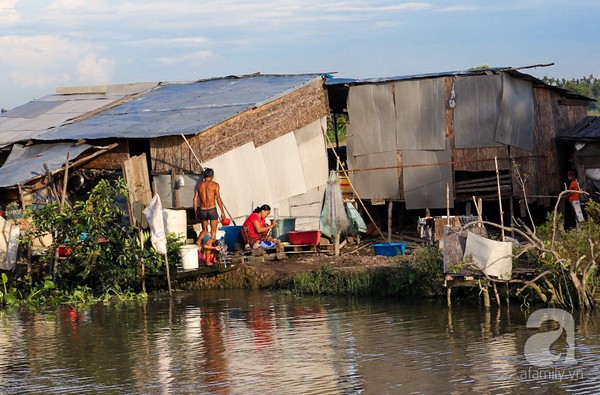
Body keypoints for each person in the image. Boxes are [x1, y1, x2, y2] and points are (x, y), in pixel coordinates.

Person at [194, 168, 227, 248]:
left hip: (202, 210)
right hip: (212, 210)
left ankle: (198, 241)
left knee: (204, 230)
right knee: (213, 234)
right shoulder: (215, 185)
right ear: (212, 176)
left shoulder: (199, 186)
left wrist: (196, 212)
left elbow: (195, 199)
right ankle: (207, 246)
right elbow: (218, 198)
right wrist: (222, 212)